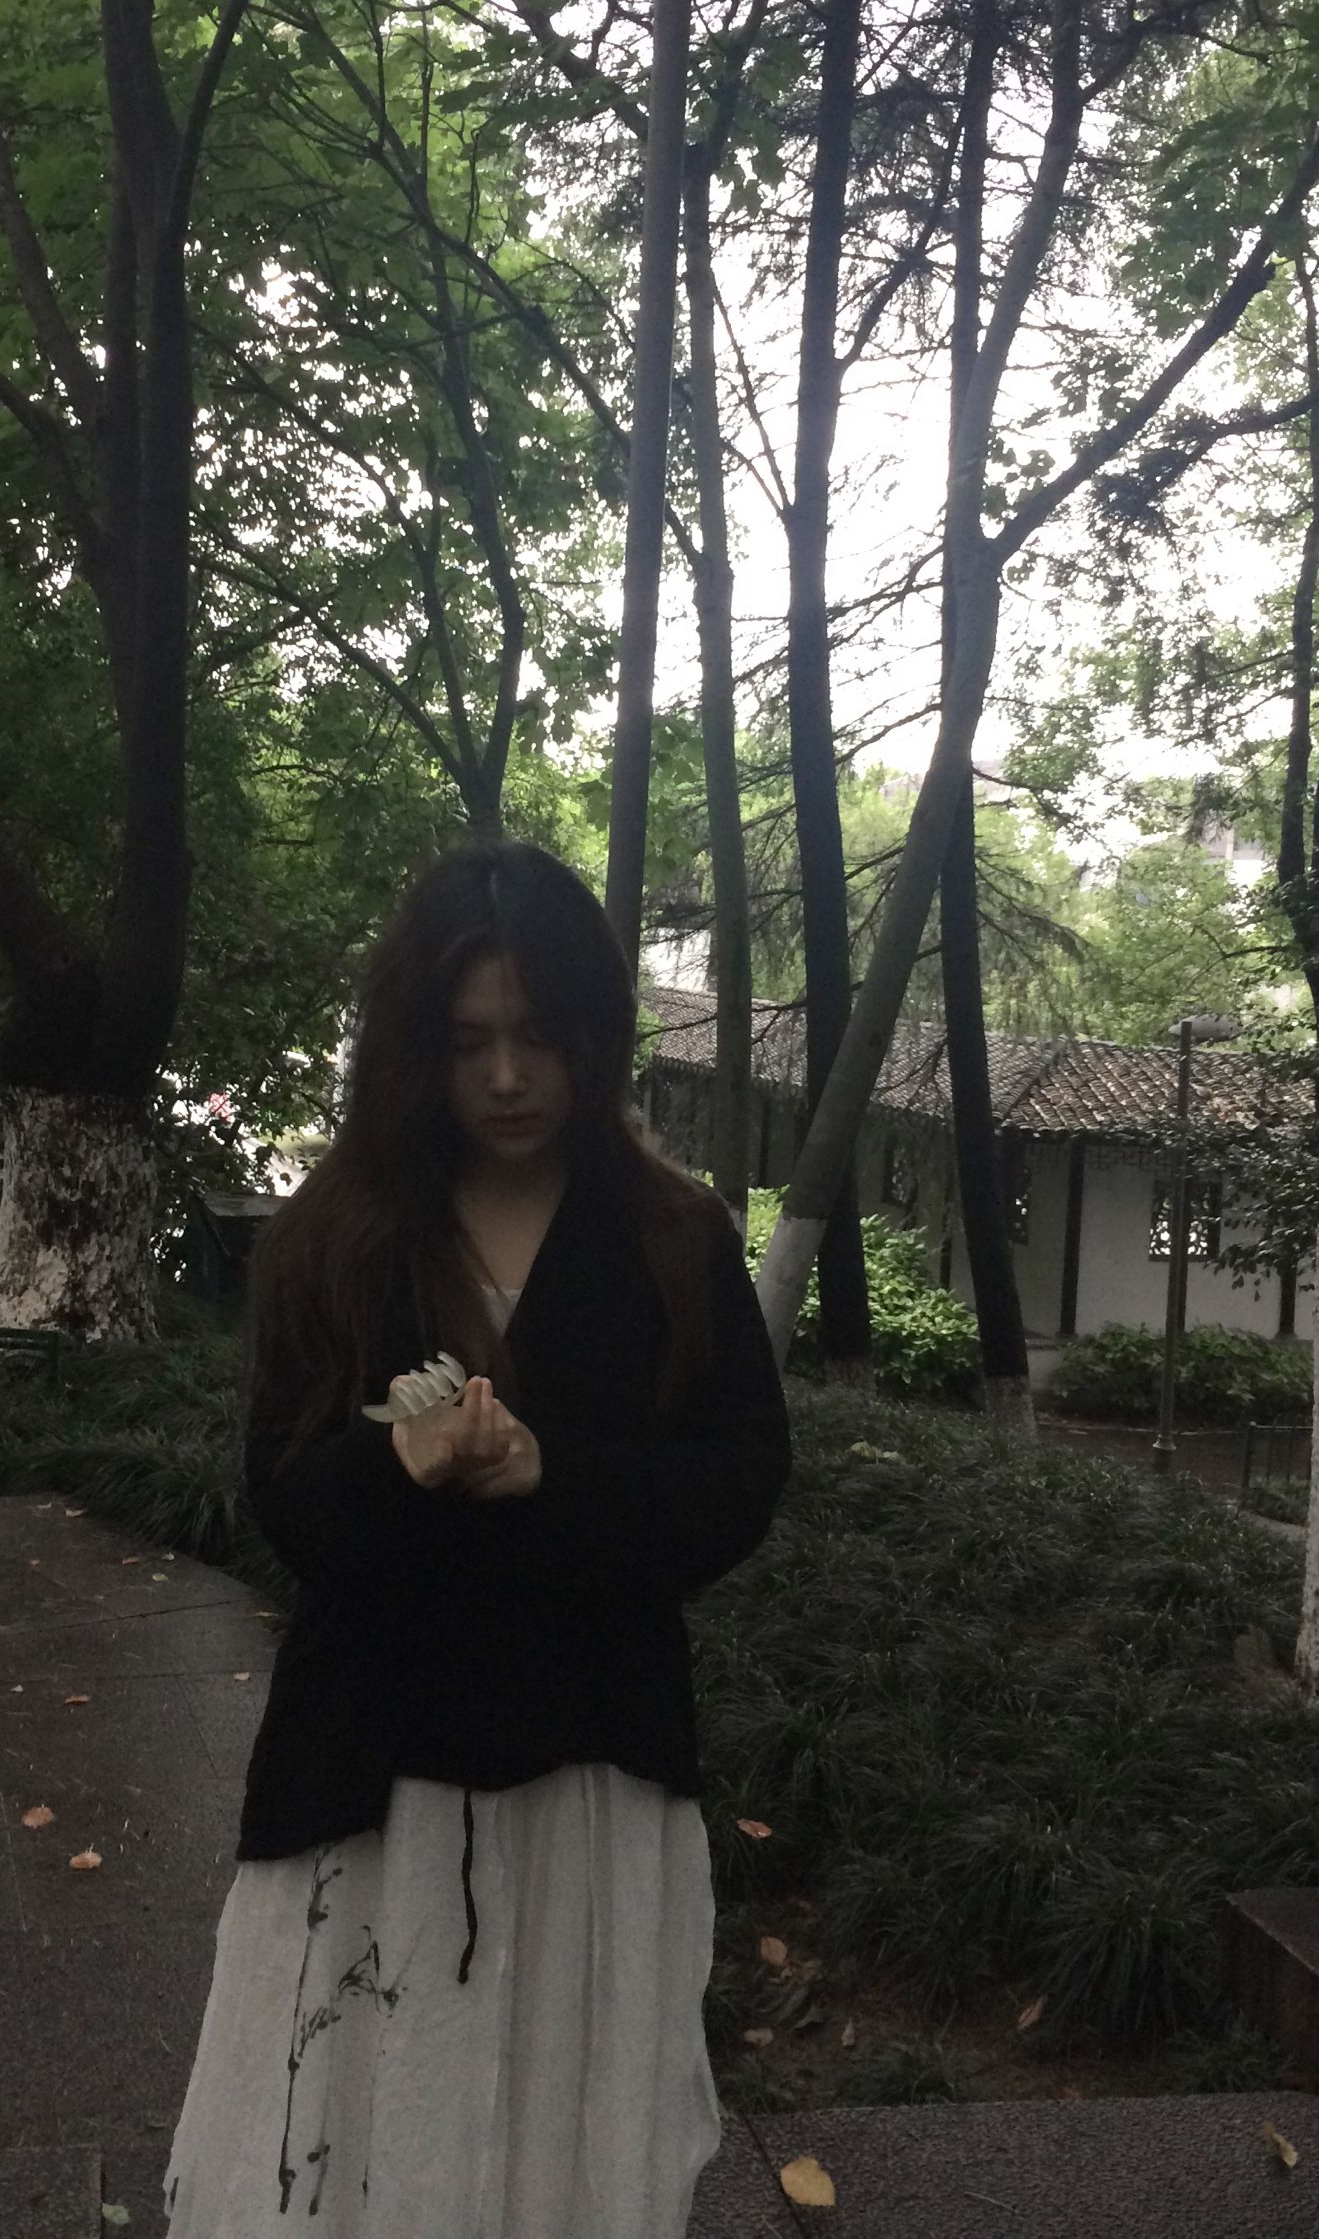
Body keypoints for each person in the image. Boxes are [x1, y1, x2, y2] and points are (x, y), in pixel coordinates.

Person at [163, 838, 792, 2239]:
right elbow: (282, 1496)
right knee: (352, 2136)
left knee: (567, 2127)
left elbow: (741, 1478)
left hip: (593, 1763)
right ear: (414, 1050)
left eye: (540, 1037)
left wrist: (551, 1475)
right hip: (371, 1766)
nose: (509, 1077)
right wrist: (399, 1463)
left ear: (594, 1035)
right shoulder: (339, 1237)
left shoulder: (672, 1237)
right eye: (467, 1044)